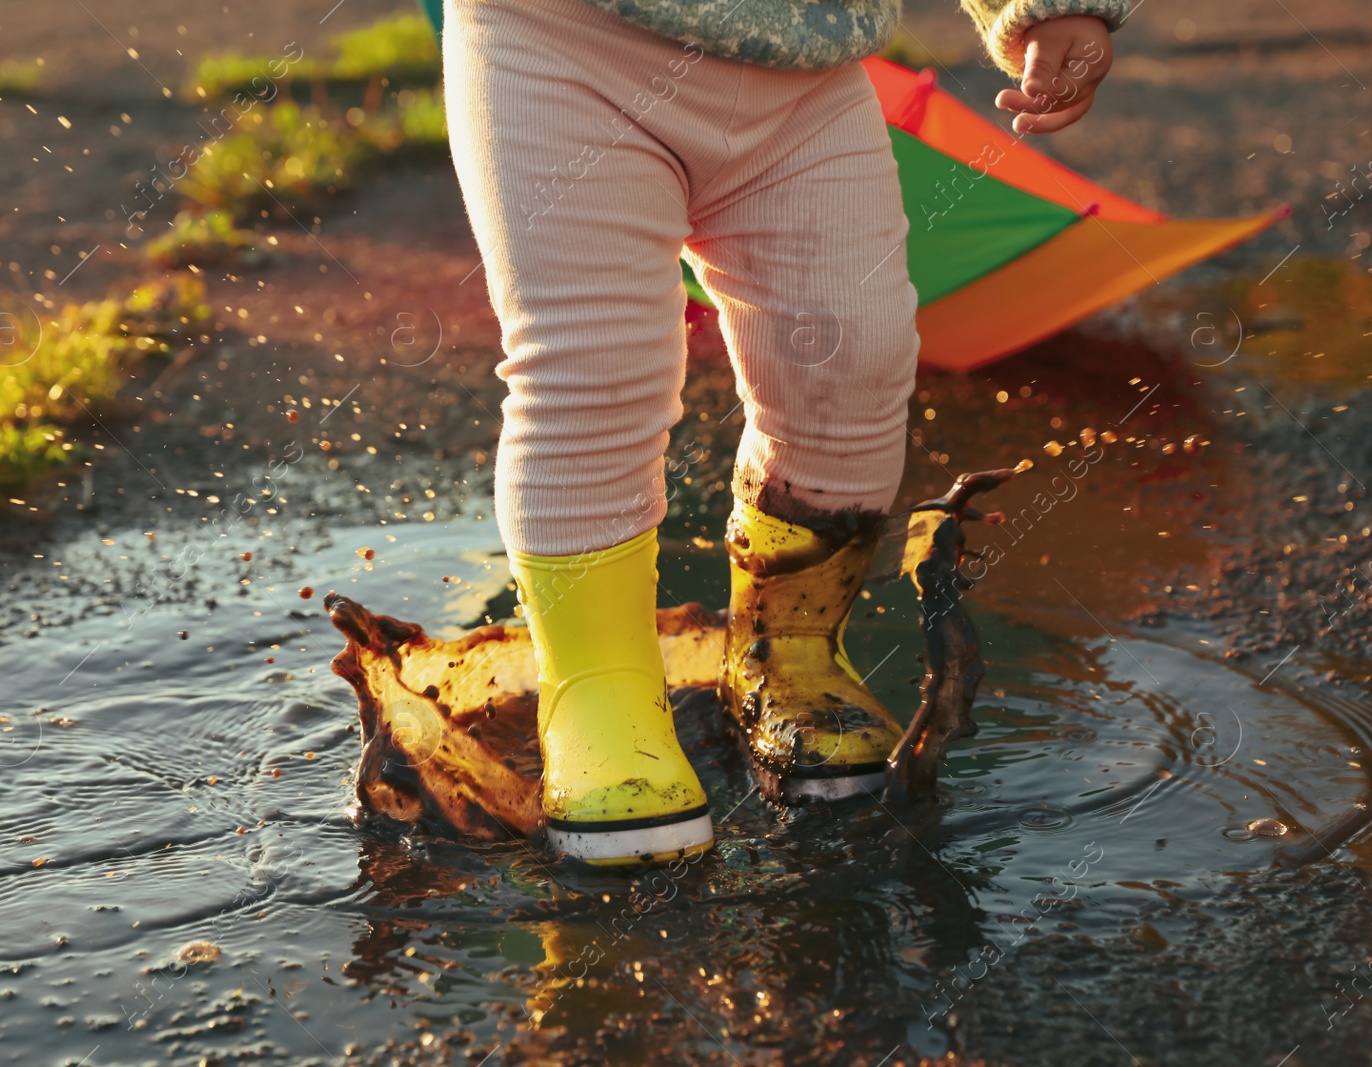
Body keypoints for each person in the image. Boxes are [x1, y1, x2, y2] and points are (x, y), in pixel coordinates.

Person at [440, 0, 1125, 865]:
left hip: (807, 68)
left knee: (852, 354)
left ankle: (788, 647)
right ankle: (598, 690)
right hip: (562, 47)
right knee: (591, 367)